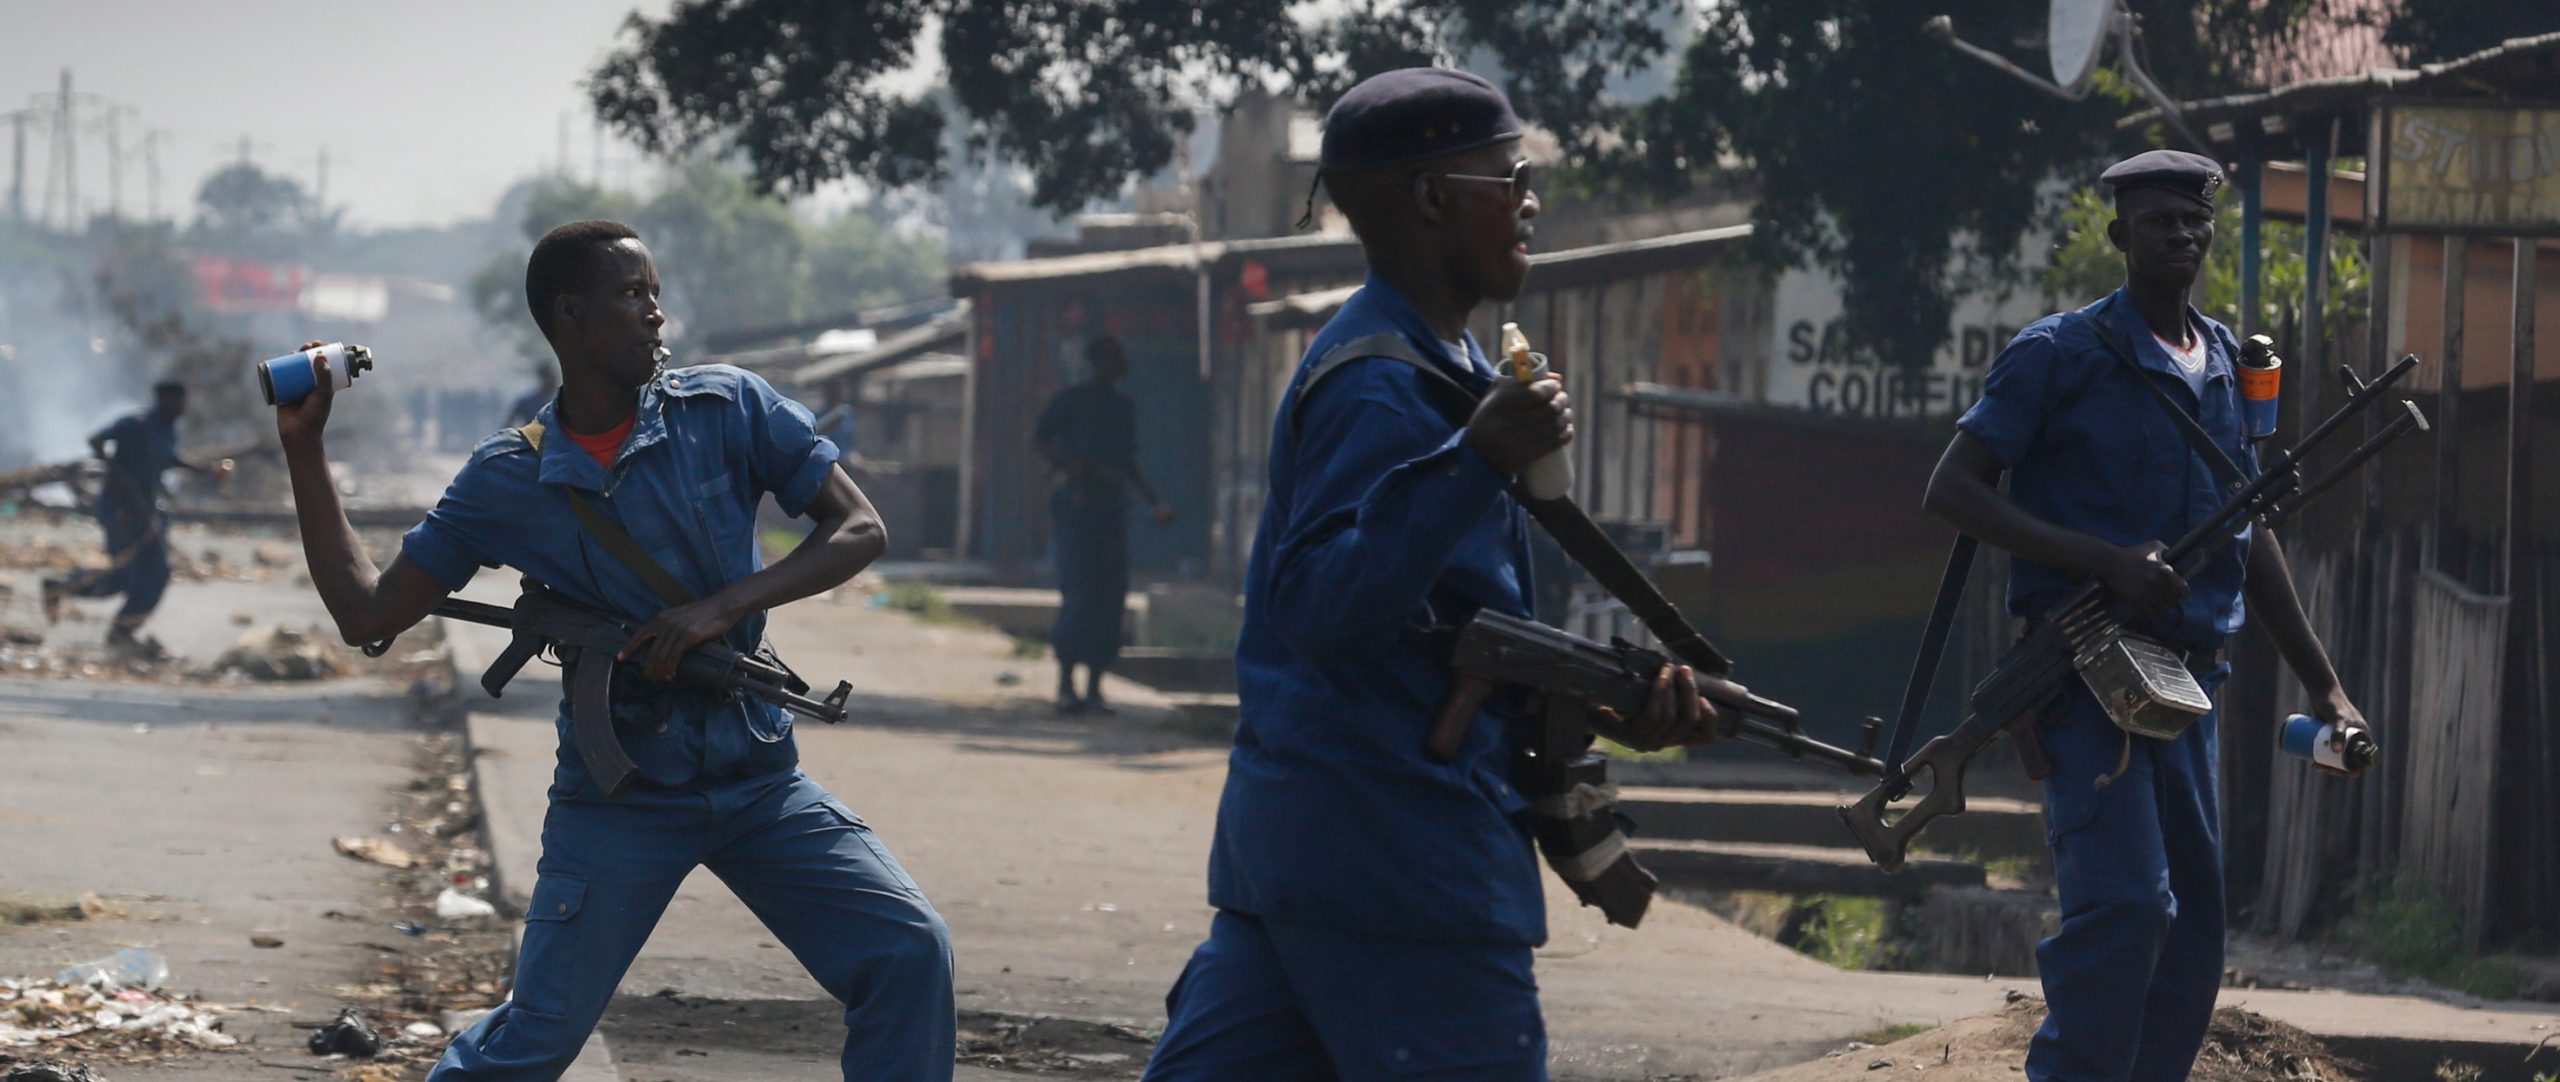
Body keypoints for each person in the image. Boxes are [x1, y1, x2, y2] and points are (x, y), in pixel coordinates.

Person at [272, 220, 955, 1081]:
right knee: (531, 1045)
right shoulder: (507, 478)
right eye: (632, 296)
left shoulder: (729, 409)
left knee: (909, 952)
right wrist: (305, 451)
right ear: (570, 315)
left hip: (756, 775)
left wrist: (720, 610)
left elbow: (859, 527)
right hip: (621, 795)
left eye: (656, 295)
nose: (655, 317)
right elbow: (368, 613)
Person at [1141, 68, 1719, 1082]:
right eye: (1510, 174)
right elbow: (1320, 606)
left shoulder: (1436, 364)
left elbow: (1444, 629)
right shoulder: (1383, 388)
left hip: (1317, 864)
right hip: (1400, 870)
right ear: (1431, 199)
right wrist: (1474, 461)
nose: (1531, 199)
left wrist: (1616, 700)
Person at [1925, 150, 2371, 1082]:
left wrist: (2328, 689)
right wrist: (2103, 562)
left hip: (2188, 688)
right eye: (2160, 220)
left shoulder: (2225, 366)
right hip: (2085, 675)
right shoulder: (2060, 353)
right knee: (2128, 907)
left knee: (2194, 934)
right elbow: (1954, 490)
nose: (2181, 235)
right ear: (2120, 233)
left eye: (2195, 221)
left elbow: (2250, 537)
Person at [1032, 333, 1171, 715]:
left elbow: (1127, 462)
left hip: (1110, 507)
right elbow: (1040, 440)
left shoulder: (1122, 407)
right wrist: (1072, 465)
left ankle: (1094, 687)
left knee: (1109, 597)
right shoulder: (1070, 401)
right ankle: (1065, 686)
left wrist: (1153, 500)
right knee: (1079, 593)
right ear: (1101, 362)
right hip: (1077, 505)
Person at [44, 380, 226, 648]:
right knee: (135, 573)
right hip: (122, 510)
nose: (182, 407)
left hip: (146, 510)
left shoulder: (167, 430)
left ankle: (114, 623)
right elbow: (96, 440)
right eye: (177, 401)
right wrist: (114, 471)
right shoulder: (136, 424)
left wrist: (205, 470)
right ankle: (110, 625)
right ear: (164, 399)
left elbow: (168, 459)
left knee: (144, 573)